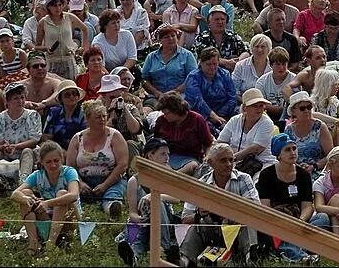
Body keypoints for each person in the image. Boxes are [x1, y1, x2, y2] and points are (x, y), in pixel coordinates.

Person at [180, 143, 260, 267]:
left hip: (237, 233)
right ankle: (184, 260)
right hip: (210, 233)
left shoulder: (244, 178)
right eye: (223, 160)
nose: (228, 164)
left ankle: (250, 258)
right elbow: (185, 218)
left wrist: (232, 213)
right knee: (195, 226)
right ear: (211, 163)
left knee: (248, 223)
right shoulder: (201, 184)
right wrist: (199, 214)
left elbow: (255, 209)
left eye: (231, 160)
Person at [116, 138, 181, 267]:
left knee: (157, 203)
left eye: (168, 154)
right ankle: (133, 255)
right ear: (150, 155)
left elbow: (177, 199)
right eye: (163, 154)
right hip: (144, 220)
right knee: (135, 227)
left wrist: (155, 196)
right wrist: (139, 219)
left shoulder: (168, 176)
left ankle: (163, 247)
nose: (167, 157)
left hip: (165, 220)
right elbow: (132, 212)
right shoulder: (134, 181)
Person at [257, 133, 320, 262]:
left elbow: (308, 206)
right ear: (278, 155)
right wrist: (284, 222)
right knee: (274, 231)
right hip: (278, 220)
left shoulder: (303, 175)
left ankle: (296, 249)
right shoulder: (266, 175)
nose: (292, 152)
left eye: (294, 148)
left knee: (322, 219)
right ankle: (303, 256)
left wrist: (300, 222)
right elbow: (265, 207)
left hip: (299, 219)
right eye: (287, 149)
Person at [11, 140, 81, 256]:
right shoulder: (38, 175)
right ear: (42, 162)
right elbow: (15, 194)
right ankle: (33, 244)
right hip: (48, 217)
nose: (53, 165)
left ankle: (50, 244)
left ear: (62, 159)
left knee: (62, 194)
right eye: (48, 162)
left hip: (70, 219)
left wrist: (48, 203)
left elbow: (73, 195)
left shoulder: (69, 172)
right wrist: (27, 199)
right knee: (26, 193)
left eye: (56, 161)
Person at [66, 99, 129, 217]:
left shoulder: (115, 136)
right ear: (88, 119)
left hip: (111, 179)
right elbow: (70, 166)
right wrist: (80, 183)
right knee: (74, 194)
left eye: (104, 116)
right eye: (98, 117)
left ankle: (112, 207)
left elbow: (123, 165)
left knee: (113, 194)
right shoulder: (77, 138)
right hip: (84, 180)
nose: (103, 119)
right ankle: (79, 211)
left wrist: (105, 185)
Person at [0, 82, 41, 183]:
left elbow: (35, 140)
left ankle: (23, 181)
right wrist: (4, 147)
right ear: (7, 101)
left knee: (27, 151)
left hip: (27, 153)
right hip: (7, 153)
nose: (20, 101)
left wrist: (16, 146)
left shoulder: (32, 115)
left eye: (22, 97)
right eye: (16, 98)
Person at [217, 88, 276, 177]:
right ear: (245, 107)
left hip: (262, 163)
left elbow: (255, 149)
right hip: (236, 162)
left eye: (261, 105)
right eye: (255, 106)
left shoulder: (267, 123)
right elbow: (221, 142)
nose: (259, 109)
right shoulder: (235, 120)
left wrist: (230, 158)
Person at [153, 91, 214, 174]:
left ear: (176, 110)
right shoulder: (161, 121)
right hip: (167, 156)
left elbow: (208, 143)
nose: (164, 116)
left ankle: (174, 177)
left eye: (167, 113)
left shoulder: (197, 119)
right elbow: (156, 142)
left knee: (192, 166)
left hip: (190, 158)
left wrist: (207, 158)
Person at [140, 23, 198, 110]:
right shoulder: (151, 57)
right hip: (156, 97)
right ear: (160, 40)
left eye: (173, 36)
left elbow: (193, 78)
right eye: (166, 37)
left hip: (181, 96)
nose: (170, 39)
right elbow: (144, 79)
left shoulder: (187, 55)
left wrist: (174, 92)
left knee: (178, 110)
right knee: (148, 112)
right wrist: (157, 93)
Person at [185, 47, 239, 133]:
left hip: (224, 112)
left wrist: (220, 115)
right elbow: (197, 101)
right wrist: (212, 115)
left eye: (215, 64)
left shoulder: (225, 74)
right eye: (208, 64)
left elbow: (232, 97)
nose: (212, 67)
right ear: (201, 63)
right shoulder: (193, 77)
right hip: (202, 113)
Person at [283, 91, 334, 176]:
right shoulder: (288, 130)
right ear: (293, 111)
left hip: (317, 170)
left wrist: (313, 166)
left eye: (309, 107)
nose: (306, 110)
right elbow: (285, 155)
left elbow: (331, 155)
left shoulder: (320, 126)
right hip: (295, 171)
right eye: (302, 108)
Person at [42, 80, 87, 150]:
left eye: (74, 94)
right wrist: (59, 151)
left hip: (79, 150)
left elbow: (86, 137)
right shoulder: (54, 112)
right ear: (61, 99)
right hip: (56, 151)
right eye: (67, 95)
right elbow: (46, 137)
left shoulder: (85, 112)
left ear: (78, 96)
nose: (71, 96)